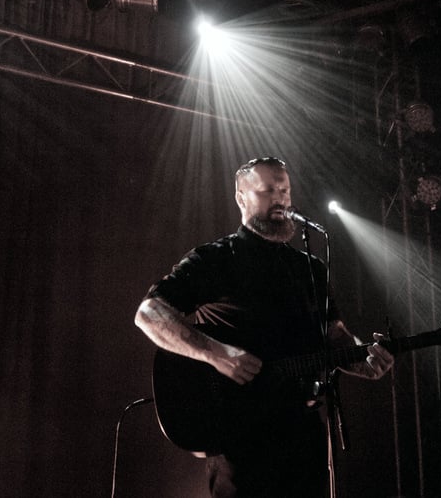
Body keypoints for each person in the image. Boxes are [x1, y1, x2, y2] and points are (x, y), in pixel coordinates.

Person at [135, 156, 394, 497]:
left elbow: (335, 336)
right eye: (267, 190)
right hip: (238, 438)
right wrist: (217, 354)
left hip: (302, 433)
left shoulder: (311, 268)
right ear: (241, 197)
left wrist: (364, 361)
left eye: (284, 189)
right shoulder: (216, 259)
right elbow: (149, 313)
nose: (281, 198)